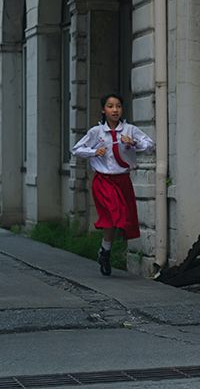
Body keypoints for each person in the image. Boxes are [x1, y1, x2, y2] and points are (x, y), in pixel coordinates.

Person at [71, 94, 155, 276]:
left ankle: (105, 251)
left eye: (118, 106)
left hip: (123, 180)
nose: (115, 110)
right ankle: (106, 251)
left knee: (122, 219)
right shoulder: (97, 132)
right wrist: (94, 152)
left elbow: (149, 145)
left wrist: (133, 142)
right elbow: (77, 149)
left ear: (122, 109)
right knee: (112, 215)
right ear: (104, 110)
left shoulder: (130, 130)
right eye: (110, 106)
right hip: (104, 180)